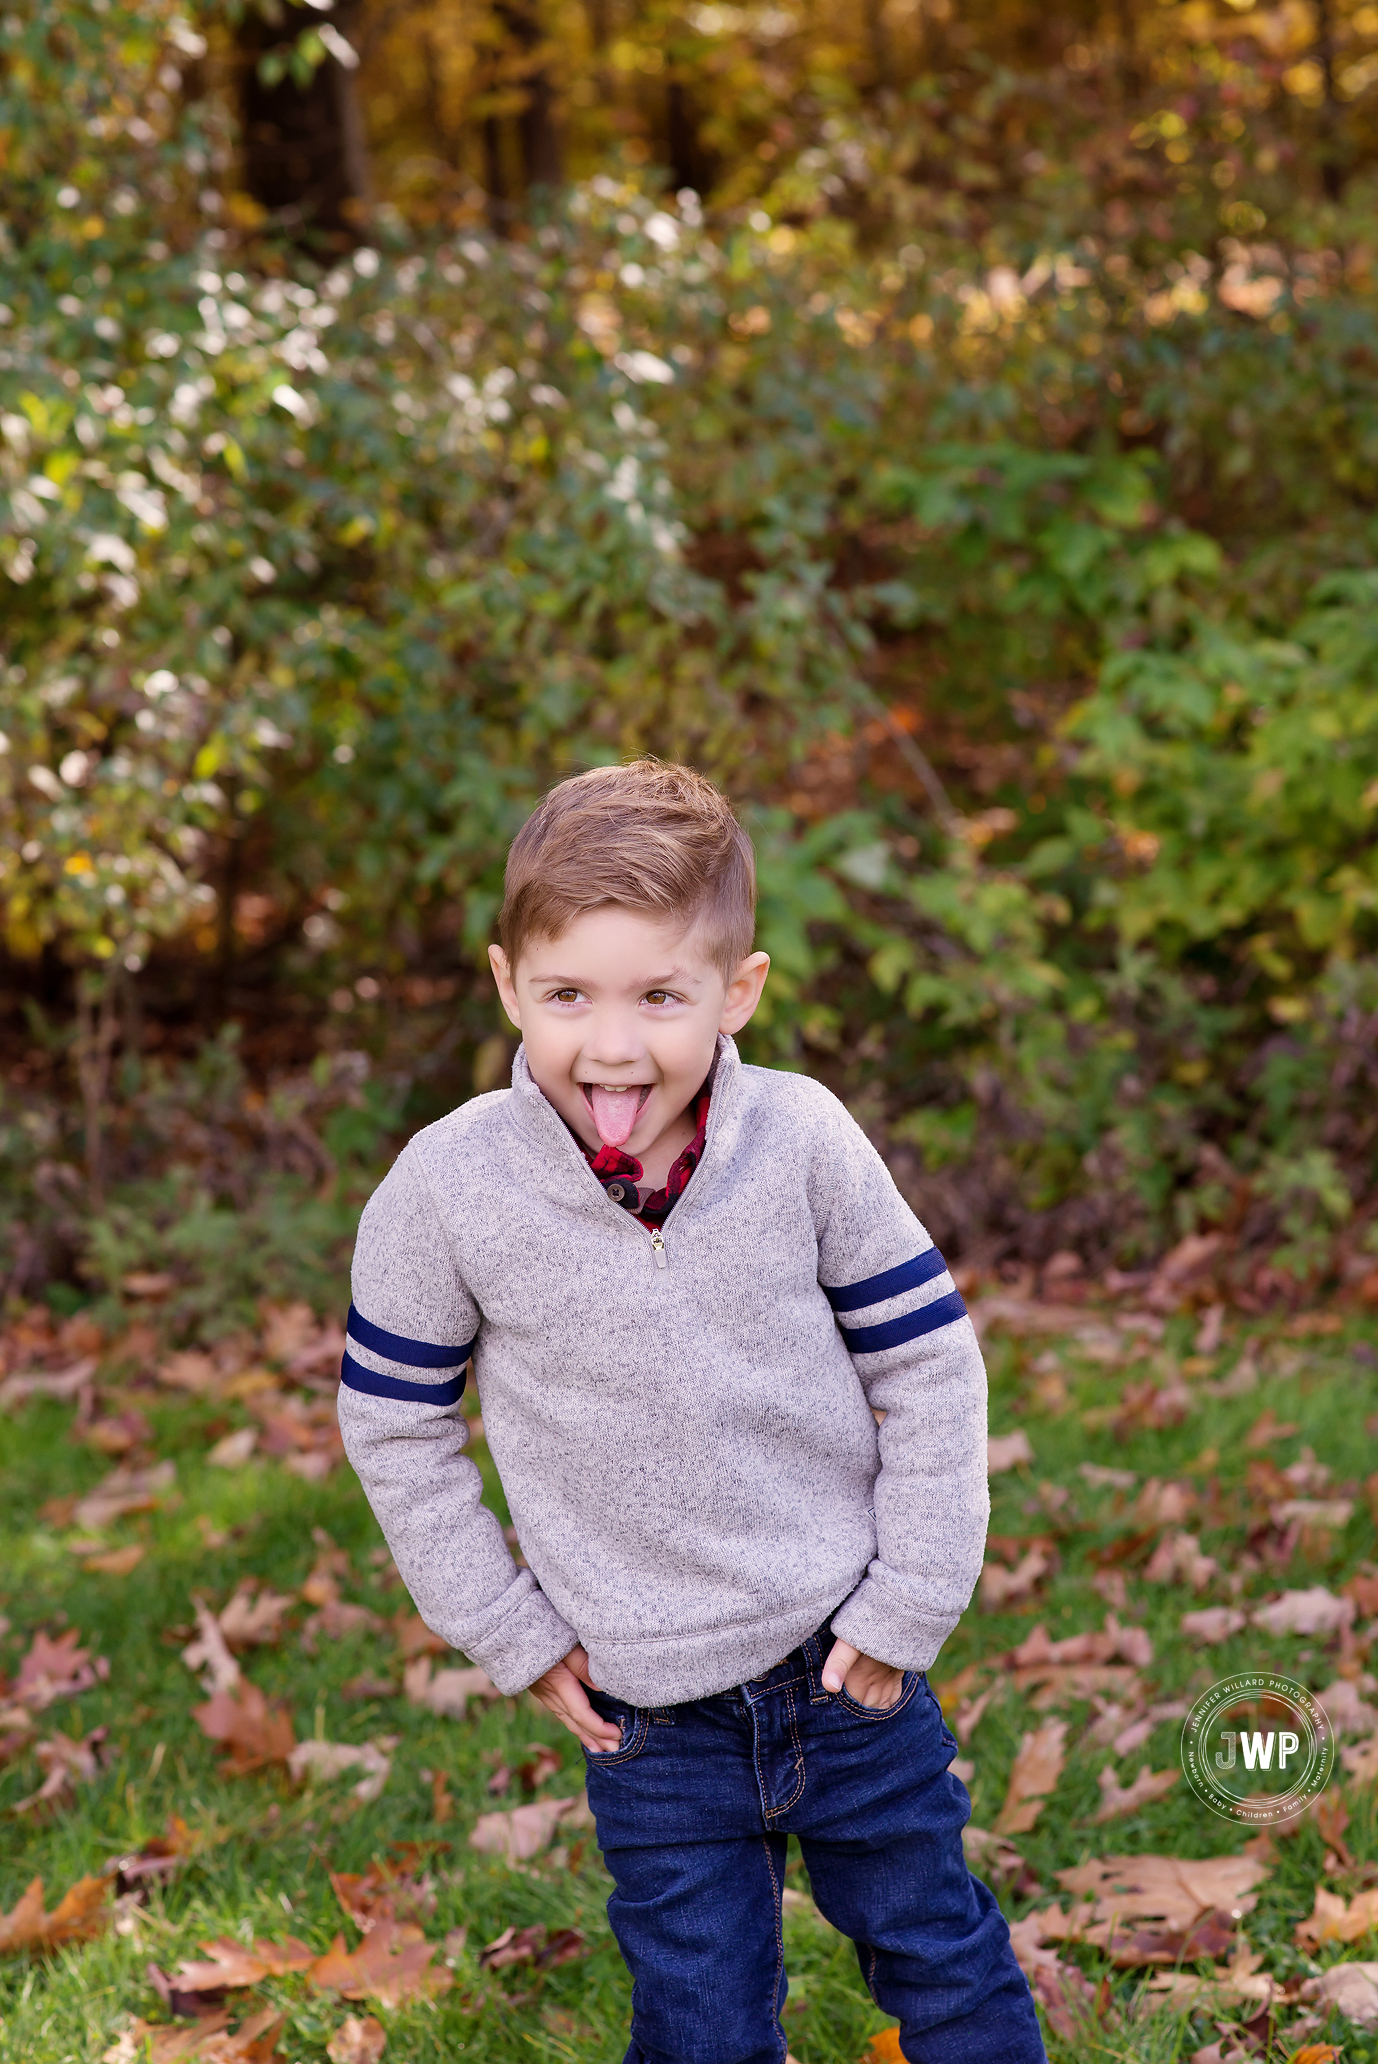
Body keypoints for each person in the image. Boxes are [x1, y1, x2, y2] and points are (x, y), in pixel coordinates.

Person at [338, 759, 1045, 2064]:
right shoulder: (447, 1190)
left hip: (849, 1662)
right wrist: (504, 1623)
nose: (611, 1045)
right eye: (567, 997)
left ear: (737, 992)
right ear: (506, 984)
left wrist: (911, 1596)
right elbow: (394, 1421)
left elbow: (926, 1363)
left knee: (942, 1961)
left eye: (659, 996)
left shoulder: (803, 1140)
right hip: (645, 1706)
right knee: (703, 2026)